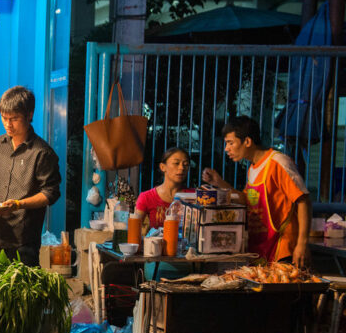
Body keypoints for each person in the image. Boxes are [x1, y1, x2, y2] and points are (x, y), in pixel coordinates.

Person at [202, 115, 311, 268]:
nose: (226, 148)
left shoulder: (278, 162)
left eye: (230, 143)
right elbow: (247, 200)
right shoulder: (253, 168)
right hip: (262, 248)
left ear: (247, 141)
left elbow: (303, 200)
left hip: (283, 248)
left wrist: (302, 243)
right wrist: (218, 182)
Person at [0, 86, 61, 266]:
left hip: (23, 239)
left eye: (14, 119)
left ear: (29, 115)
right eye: (4, 118)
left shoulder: (42, 152)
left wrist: (19, 204)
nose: (8, 124)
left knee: (20, 291)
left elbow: (50, 193)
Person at [133, 147, 191, 229]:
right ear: (163, 167)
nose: (182, 168)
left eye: (186, 164)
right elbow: (134, 229)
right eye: (176, 163)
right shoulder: (147, 197)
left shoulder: (194, 197)